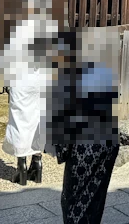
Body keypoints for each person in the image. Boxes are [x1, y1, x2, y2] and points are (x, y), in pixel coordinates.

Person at [46, 27, 120, 224]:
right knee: (96, 195)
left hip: (83, 145)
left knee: (72, 199)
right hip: (107, 141)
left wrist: (61, 151)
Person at [0, 0, 53, 185]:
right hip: (43, 80)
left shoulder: (20, 30)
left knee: (21, 120)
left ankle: (21, 167)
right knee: (39, 120)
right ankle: (37, 163)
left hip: (22, 80)